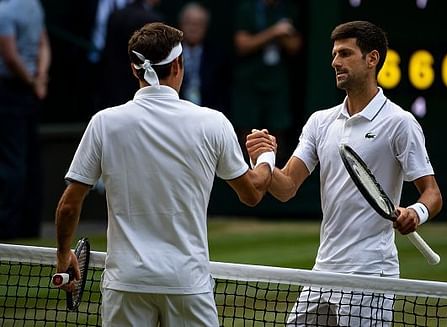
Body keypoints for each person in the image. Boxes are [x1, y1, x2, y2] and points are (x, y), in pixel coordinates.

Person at [54, 22, 275, 326]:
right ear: (179, 64)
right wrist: (265, 154)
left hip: (126, 284)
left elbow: (69, 204)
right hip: (187, 284)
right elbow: (252, 193)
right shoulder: (213, 123)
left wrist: (63, 253)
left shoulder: (104, 123)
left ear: (135, 71)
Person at [246, 20, 443, 326]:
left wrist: (416, 213)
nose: (335, 62)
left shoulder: (399, 123)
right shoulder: (320, 122)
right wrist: (265, 158)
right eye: (335, 54)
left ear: (372, 59)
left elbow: (432, 194)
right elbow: (285, 188)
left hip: (370, 271)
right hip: (323, 268)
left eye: (345, 53)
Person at [0, 0, 51, 239]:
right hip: (29, 91)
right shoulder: (34, 6)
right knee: (28, 159)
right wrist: (40, 78)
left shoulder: (4, 12)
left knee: (13, 161)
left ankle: (9, 227)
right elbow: (44, 46)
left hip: (11, 90)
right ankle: (30, 226)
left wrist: (32, 81)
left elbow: (9, 56)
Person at [232, 0, 302, 165]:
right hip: (249, 81)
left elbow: (294, 45)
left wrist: (280, 36)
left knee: (278, 130)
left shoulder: (288, 9)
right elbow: (242, 45)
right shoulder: (247, 9)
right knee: (246, 131)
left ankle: (274, 177)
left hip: (277, 82)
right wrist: (275, 32)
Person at [98, 0, 163, 108]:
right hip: (143, 89)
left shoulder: (116, 15)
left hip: (115, 87)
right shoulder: (153, 20)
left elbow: (109, 55)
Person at [178, 2, 231, 114]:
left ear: (206, 27)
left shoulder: (218, 56)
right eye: (189, 23)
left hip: (209, 113)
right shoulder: (170, 55)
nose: (193, 28)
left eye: (198, 24)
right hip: (177, 112)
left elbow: (222, 94)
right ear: (181, 25)